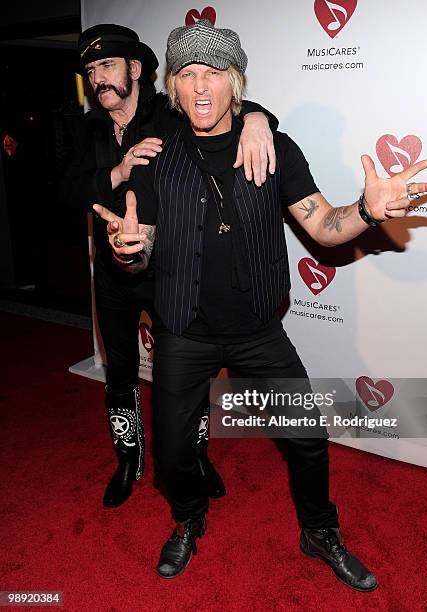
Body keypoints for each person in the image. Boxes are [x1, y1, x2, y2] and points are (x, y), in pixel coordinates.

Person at [94, 19, 427, 590]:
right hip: (184, 330)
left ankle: (319, 530)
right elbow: (142, 247)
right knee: (176, 455)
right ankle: (188, 519)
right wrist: (129, 250)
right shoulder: (154, 155)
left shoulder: (273, 145)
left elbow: (326, 227)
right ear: (173, 89)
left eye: (213, 74)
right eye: (186, 74)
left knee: (307, 436)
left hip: (258, 330)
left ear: (235, 83)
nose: (200, 86)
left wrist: (369, 211)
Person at [61, 23, 278, 509]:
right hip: (115, 272)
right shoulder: (86, 127)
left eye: (108, 66)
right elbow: (67, 190)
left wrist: (261, 118)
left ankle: (196, 457)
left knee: (185, 377)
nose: (98, 79)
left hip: (170, 273)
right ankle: (128, 460)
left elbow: (224, 112)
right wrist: (116, 172)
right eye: (91, 70)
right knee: (119, 369)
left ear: (135, 70)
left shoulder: (170, 113)